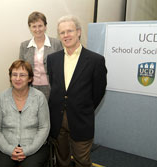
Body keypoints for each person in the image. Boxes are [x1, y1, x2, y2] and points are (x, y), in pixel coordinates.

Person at [47, 15, 107, 167]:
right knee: (61, 159)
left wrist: (84, 107)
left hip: (81, 119)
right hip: (57, 119)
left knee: (82, 161)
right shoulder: (52, 59)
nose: (66, 35)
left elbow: (98, 92)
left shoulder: (95, 61)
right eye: (62, 33)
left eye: (70, 31)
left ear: (78, 32)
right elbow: (55, 86)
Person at [0, 60, 50, 167]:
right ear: (10, 77)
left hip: (34, 148)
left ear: (30, 78)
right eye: (14, 75)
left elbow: (44, 127)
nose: (17, 78)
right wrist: (9, 150)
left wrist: (27, 150)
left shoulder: (39, 98)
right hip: (5, 148)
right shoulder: (1, 98)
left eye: (22, 75)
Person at [19, 11, 63, 100]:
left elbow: (61, 67)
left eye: (40, 26)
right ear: (30, 28)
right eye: (34, 26)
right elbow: (21, 69)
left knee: (50, 113)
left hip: (51, 88)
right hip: (31, 88)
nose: (37, 29)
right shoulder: (24, 46)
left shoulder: (56, 43)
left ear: (45, 26)